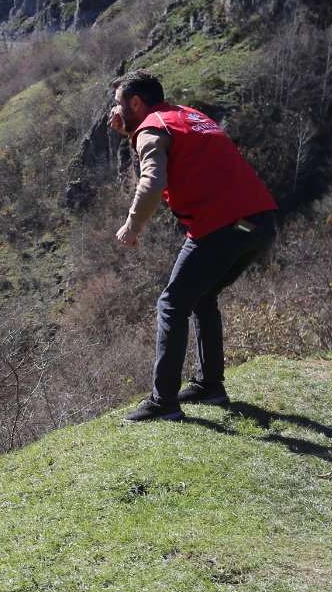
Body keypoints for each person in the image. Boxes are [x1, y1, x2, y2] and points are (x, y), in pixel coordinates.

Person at [110, 69, 279, 421]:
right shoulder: (189, 116)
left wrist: (132, 224)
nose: (114, 110)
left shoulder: (151, 128)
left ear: (135, 102)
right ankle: (210, 386)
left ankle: (164, 402)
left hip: (223, 224)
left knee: (172, 303)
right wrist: (131, 131)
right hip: (258, 221)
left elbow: (152, 181)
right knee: (202, 297)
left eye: (118, 104)